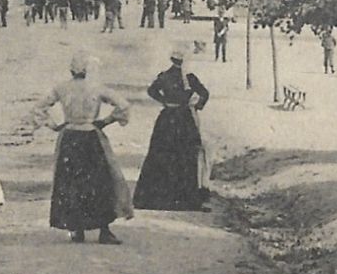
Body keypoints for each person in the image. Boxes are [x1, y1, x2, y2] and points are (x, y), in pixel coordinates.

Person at [32, 52, 132, 244]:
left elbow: (39, 107)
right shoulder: (96, 88)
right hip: (91, 137)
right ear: (86, 70)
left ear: (71, 70)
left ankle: (77, 229)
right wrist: (106, 120)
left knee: (72, 183)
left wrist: (53, 125)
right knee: (100, 182)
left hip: (70, 138)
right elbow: (123, 105)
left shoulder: (61, 88)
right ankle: (104, 230)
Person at [133, 49, 211, 211]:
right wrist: (197, 106)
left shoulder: (164, 76)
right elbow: (205, 93)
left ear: (172, 60)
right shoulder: (189, 78)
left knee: (162, 153)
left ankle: (159, 196)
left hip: (167, 117)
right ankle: (184, 196)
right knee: (185, 154)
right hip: (184, 118)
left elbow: (151, 91)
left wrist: (164, 101)